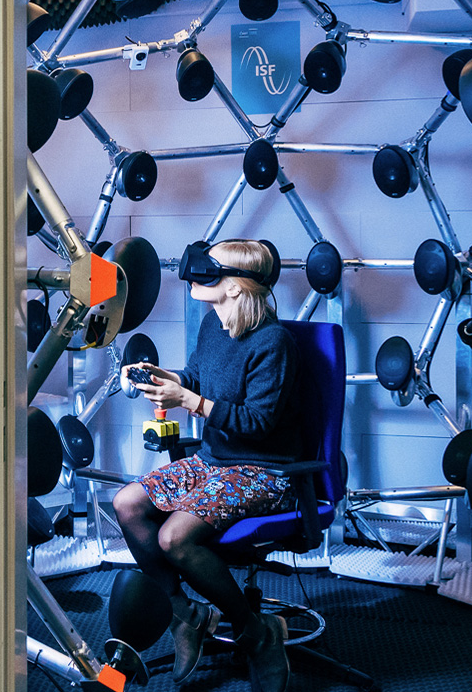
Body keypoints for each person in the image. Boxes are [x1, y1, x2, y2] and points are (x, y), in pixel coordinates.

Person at [113, 239, 298, 692]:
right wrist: (162, 377)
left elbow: (258, 422)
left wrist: (191, 403)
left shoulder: (274, 343)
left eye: (211, 272)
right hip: (212, 460)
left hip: (262, 469)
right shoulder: (213, 326)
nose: (197, 278)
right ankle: (187, 614)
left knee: (173, 537)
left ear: (235, 288)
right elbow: (195, 378)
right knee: (127, 503)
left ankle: (256, 632)